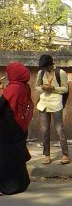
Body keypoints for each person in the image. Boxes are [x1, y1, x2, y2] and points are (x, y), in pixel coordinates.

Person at [0, 62, 34, 195]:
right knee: (17, 156)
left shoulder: (13, 88)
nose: (7, 75)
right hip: (19, 127)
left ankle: (8, 186)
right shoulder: (24, 86)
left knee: (6, 157)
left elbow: (2, 105)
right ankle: (21, 183)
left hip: (8, 128)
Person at [35, 54, 70, 165]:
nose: (45, 69)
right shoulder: (40, 73)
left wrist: (53, 88)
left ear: (51, 64)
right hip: (43, 103)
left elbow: (65, 89)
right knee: (44, 130)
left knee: (60, 129)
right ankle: (46, 155)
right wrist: (42, 88)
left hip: (56, 103)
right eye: (43, 68)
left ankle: (65, 154)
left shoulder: (60, 73)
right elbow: (36, 86)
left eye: (47, 67)